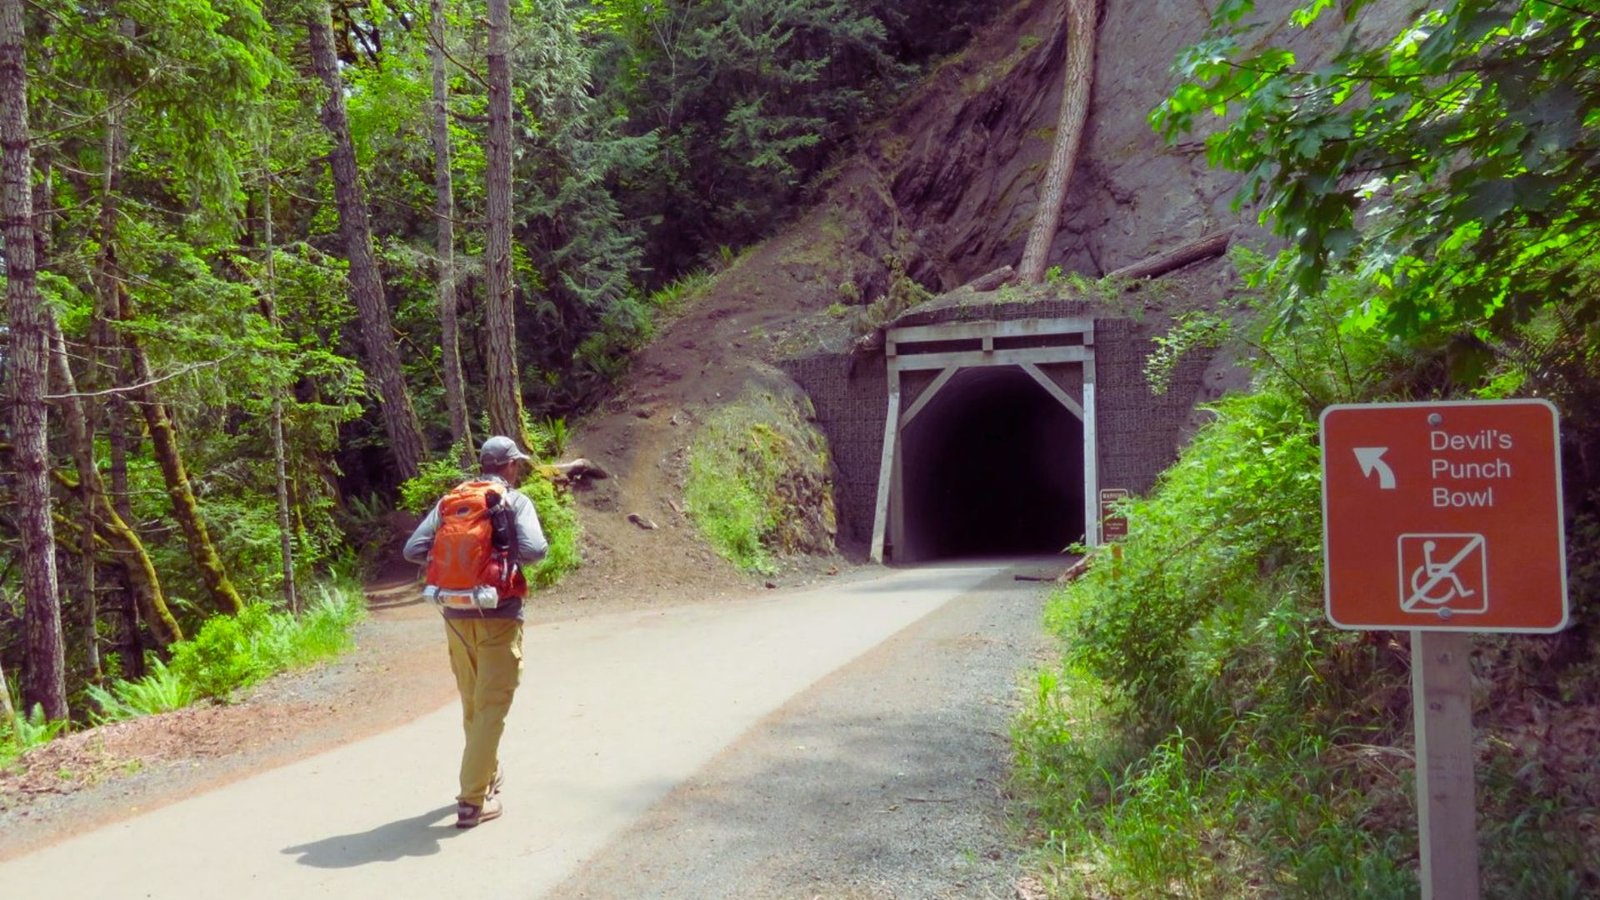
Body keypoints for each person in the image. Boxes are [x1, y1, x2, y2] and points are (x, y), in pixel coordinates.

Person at [404, 435, 548, 828]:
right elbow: (536, 550)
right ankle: (471, 802)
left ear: (483, 463)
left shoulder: (451, 501)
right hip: (498, 614)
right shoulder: (514, 500)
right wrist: (501, 557)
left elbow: (413, 549)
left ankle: (487, 773)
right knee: (491, 707)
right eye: (517, 464)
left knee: (473, 703)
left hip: (453, 614)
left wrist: (456, 569)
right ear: (511, 466)